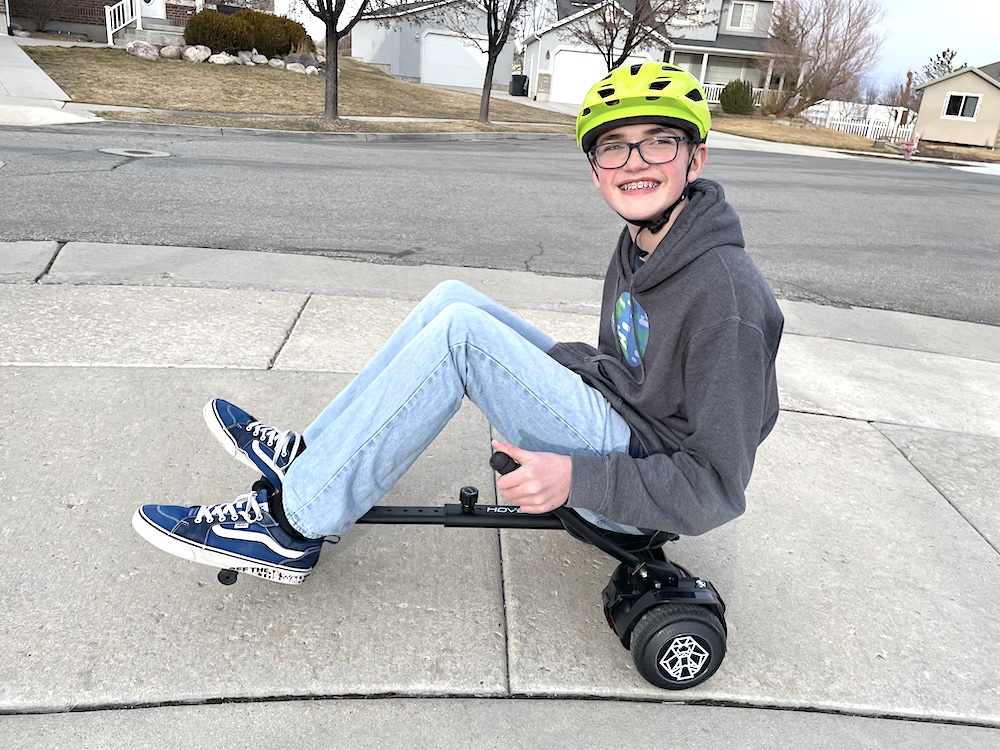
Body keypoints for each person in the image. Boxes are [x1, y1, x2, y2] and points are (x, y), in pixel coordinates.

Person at [132, 63, 784, 585]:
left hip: (636, 477)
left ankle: (291, 526)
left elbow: (714, 488)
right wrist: (561, 373)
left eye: (659, 142)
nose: (635, 162)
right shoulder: (647, 242)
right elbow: (635, 373)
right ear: (594, 171)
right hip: (618, 419)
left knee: (462, 339)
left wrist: (579, 480)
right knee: (453, 299)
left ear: (695, 159)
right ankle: (315, 458)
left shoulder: (728, 299)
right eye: (614, 148)